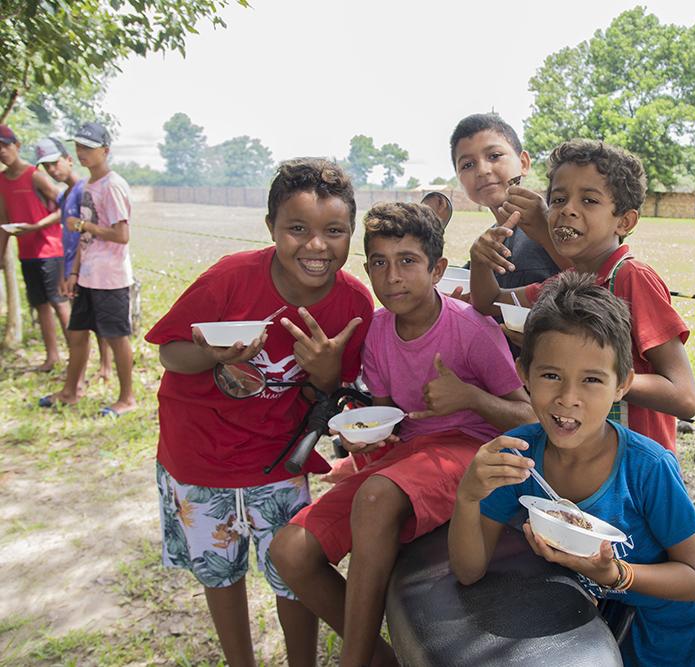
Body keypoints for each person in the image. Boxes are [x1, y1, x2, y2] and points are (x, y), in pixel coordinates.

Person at [271, 202, 535, 667]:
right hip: (408, 456)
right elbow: (388, 412)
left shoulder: (471, 329)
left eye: (407, 261)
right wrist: (365, 437)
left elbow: (529, 418)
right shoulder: (377, 329)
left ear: (436, 269)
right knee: (290, 551)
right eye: (379, 262)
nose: (391, 277)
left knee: (374, 497)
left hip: (469, 450)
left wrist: (470, 397)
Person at [450, 273, 695, 666]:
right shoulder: (520, 457)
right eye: (550, 375)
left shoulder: (647, 468)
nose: (568, 398)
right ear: (524, 373)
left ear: (621, 385)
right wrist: (468, 496)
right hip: (621, 643)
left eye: (592, 380)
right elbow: (468, 571)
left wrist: (616, 575)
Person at [145, 158, 373, 667]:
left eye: (334, 231)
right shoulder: (230, 280)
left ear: (350, 233)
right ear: (271, 228)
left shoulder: (353, 304)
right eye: (297, 229)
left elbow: (338, 395)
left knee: (293, 579)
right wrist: (214, 354)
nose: (316, 246)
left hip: (278, 462)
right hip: (198, 456)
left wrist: (327, 372)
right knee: (221, 575)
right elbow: (170, 352)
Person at [470, 139, 695, 452]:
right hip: (582, 464)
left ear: (625, 221)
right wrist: (481, 260)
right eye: (559, 199)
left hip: (635, 468)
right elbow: (489, 301)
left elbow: (684, 397)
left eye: (588, 201)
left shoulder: (632, 278)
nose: (568, 211)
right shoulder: (564, 284)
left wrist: (593, 375)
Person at [37, 122, 136, 415]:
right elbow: (85, 238)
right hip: (89, 275)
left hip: (111, 277)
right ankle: (71, 391)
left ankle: (127, 398)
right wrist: (74, 273)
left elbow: (121, 234)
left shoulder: (113, 185)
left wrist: (85, 225)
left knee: (117, 338)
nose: (82, 153)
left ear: (105, 151)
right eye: (78, 147)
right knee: (78, 333)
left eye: (88, 148)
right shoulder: (89, 186)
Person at [450, 113, 571, 289]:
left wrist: (546, 231)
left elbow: (598, 281)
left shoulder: (564, 220)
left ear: (523, 163)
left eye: (494, 156)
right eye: (467, 165)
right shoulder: (487, 243)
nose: (482, 170)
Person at [35, 136, 113, 383]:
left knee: (99, 319)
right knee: (83, 320)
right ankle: (81, 369)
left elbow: (89, 231)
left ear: (69, 160)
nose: (52, 170)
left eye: (55, 163)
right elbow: (64, 235)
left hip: (90, 265)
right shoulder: (63, 196)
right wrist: (64, 272)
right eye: (46, 167)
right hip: (70, 264)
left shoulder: (84, 190)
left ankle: (105, 366)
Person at [0, 123, 69, 371]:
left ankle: (76, 356)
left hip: (50, 249)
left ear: (17, 146)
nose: (2, 152)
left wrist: (38, 225)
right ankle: (52, 357)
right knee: (40, 304)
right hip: (26, 251)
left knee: (59, 302)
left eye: (5, 145)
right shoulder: (1, 180)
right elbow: (4, 219)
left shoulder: (35, 175)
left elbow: (65, 208)